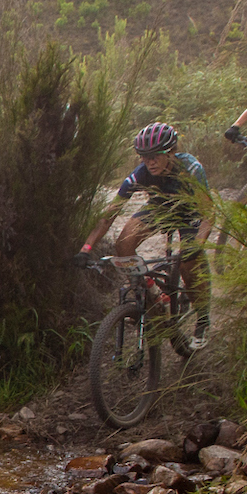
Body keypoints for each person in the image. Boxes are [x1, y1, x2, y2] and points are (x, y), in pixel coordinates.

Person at [79, 121, 214, 349]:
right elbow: (108, 216)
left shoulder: (191, 169)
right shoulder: (140, 174)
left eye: (155, 155)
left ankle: (202, 317)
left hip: (190, 211)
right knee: (123, 244)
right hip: (161, 208)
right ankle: (151, 297)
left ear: (171, 151)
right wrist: (86, 248)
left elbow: (208, 214)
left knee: (188, 263)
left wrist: (197, 244)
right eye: (143, 156)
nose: (149, 162)